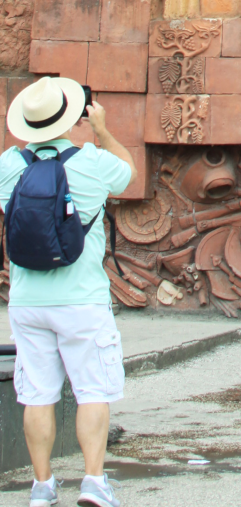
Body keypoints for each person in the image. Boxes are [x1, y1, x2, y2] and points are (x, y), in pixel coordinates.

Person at [0, 77, 135, 507]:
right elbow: (128, 172)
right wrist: (102, 131)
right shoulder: (93, 161)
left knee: (37, 395)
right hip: (82, 300)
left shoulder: (8, 164)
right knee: (92, 391)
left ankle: (42, 487)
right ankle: (93, 482)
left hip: (27, 302)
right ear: (72, 117)